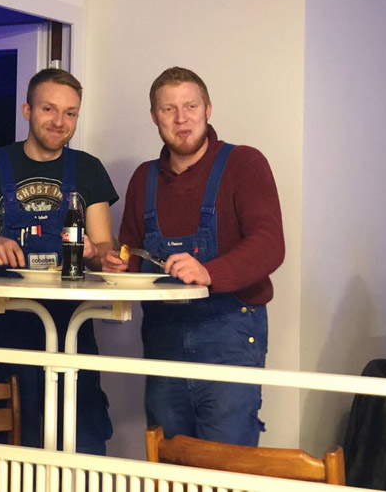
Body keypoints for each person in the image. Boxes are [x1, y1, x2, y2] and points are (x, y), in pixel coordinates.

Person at [103, 66, 284, 446]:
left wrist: (209, 272)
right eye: (168, 109)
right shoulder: (144, 178)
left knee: (224, 463)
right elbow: (132, 252)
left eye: (190, 106)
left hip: (229, 331)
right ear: (154, 116)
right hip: (163, 336)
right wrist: (117, 264)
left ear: (208, 109)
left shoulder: (244, 164)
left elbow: (269, 244)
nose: (181, 118)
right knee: (171, 459)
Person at [0, 68, 117, 454]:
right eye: (48, 109)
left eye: (70, 113)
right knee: (11, 449)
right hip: (7, 330)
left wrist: (98, 254)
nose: (59, 121)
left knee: (81, 442)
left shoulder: (88, 169)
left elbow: (106, 248)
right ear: (27, 110)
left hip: (72, 330)